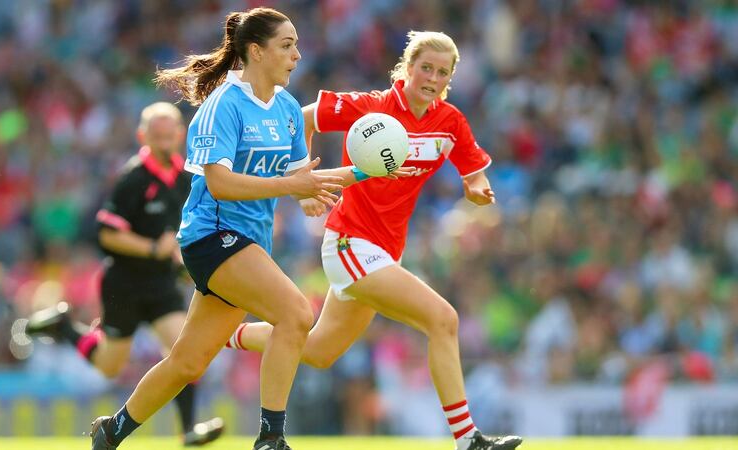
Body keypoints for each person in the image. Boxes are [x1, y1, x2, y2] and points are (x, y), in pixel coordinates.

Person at [87, 7, 398, 450]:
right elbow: (219, 182)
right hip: (211, 235)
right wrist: (295, 184)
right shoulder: (223, 106)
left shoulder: (288, 109)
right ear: (256, 50)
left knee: (187, 363)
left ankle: (113, 429)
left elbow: (302, 185)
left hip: (248, 242)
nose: (297, 55)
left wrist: (370, 171)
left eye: (296, 45)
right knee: (295, 312)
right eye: (287, 45)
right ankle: (271, 438)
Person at [224, 31, 524, 450]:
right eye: (425, 67)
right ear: (407, 67)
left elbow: (473, 168)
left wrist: (477, 186)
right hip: (349, 243)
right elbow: (303, 118)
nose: (432, 78)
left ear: (450, 79)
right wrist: (301, 183)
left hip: (385, 251)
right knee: (444, 319)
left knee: (319, 350)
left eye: (442, 72)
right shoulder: (373, 106)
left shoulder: (450, 121)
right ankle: (468, 439)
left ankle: (227, 334)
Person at [26, 101, 224, 447]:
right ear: (143, 136)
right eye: (157, 135)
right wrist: (151, 248)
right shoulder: (133, 177)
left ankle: (189, 429)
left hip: (161, 282)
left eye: (169, 135)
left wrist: (178, 258)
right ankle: (64, 327)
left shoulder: (185, 178)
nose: (164, 142)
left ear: (180, 135)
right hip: (125, 283)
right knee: (109, 365)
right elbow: (107, 234)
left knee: (186, 351)